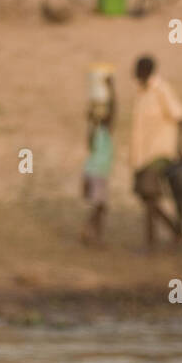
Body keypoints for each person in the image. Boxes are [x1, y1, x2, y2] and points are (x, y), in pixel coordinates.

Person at [130, 55, 182, 250]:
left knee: (149, 195)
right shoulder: (141, 92)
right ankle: (176, 231)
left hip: (160, 153)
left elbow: (181, 118)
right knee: (147, 198)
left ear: (145, 71)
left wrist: (179, 149)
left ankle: (150, 243)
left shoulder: (162, 90)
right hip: (142, 155)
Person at [80, 76, 116, 247]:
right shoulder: (103, 131)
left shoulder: (93, 131)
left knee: (100, 207)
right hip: (98, 173)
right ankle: (92, 234)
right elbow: (114, 111)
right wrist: (112, 89)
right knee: (101, 207)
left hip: (91, 171)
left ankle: (92, 234)